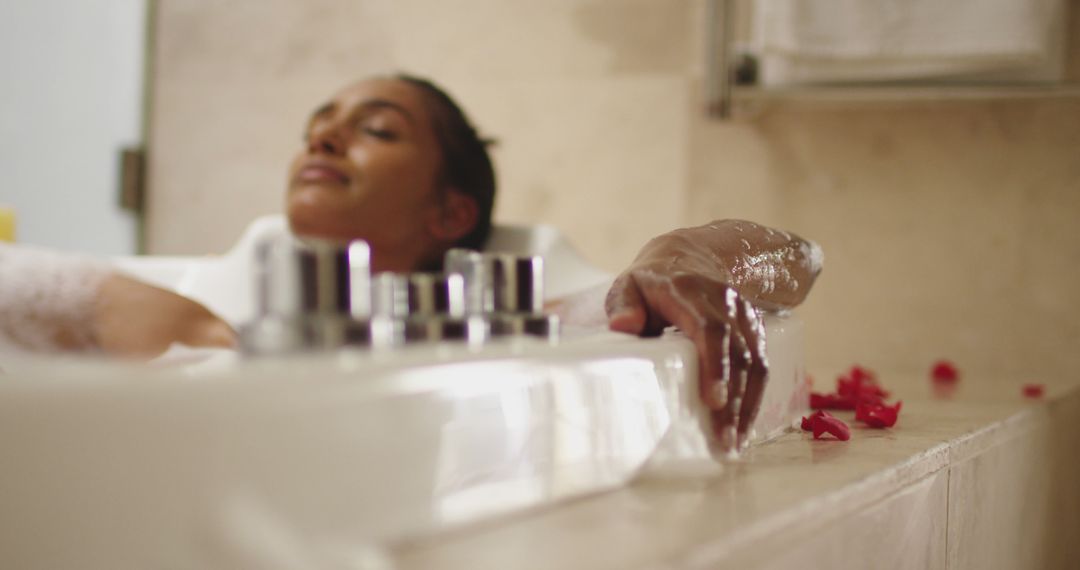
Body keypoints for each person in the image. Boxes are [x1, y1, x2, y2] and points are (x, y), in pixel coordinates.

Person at [0, 73, 821, 452]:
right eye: (318, 124)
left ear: (451, 213)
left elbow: (797, 259)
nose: (320, 137)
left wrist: (685, 253)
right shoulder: (205, 311)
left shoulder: (518, 314)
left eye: (377, 128)